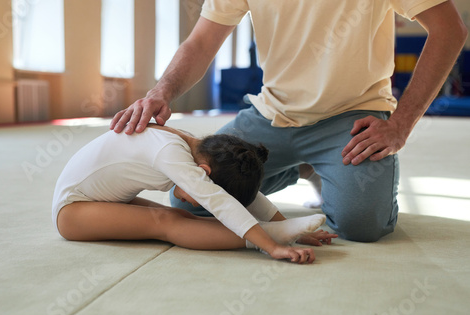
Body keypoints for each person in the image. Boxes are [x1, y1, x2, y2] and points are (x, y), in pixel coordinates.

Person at [110, 0, 467, 242]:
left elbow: (449, 28)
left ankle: (326, 164)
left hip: (352, 116)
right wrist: (161, 91)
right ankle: (305, 168)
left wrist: (401, 124)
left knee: (363, 226)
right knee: (191, 200)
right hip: (272, 116)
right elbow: (202, 42)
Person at [52, 124, 337, 264]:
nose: (196, 197)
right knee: (167, 222)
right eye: (201, 190)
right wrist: (271, 245)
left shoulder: (200, 148)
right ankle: (268, 236)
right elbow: (221, 202)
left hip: (99, 201)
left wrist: (287, 225)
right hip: (73, 212)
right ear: (203, 173)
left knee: (176, 213)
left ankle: (273, 231)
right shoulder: (172, 154)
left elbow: (246, 197)